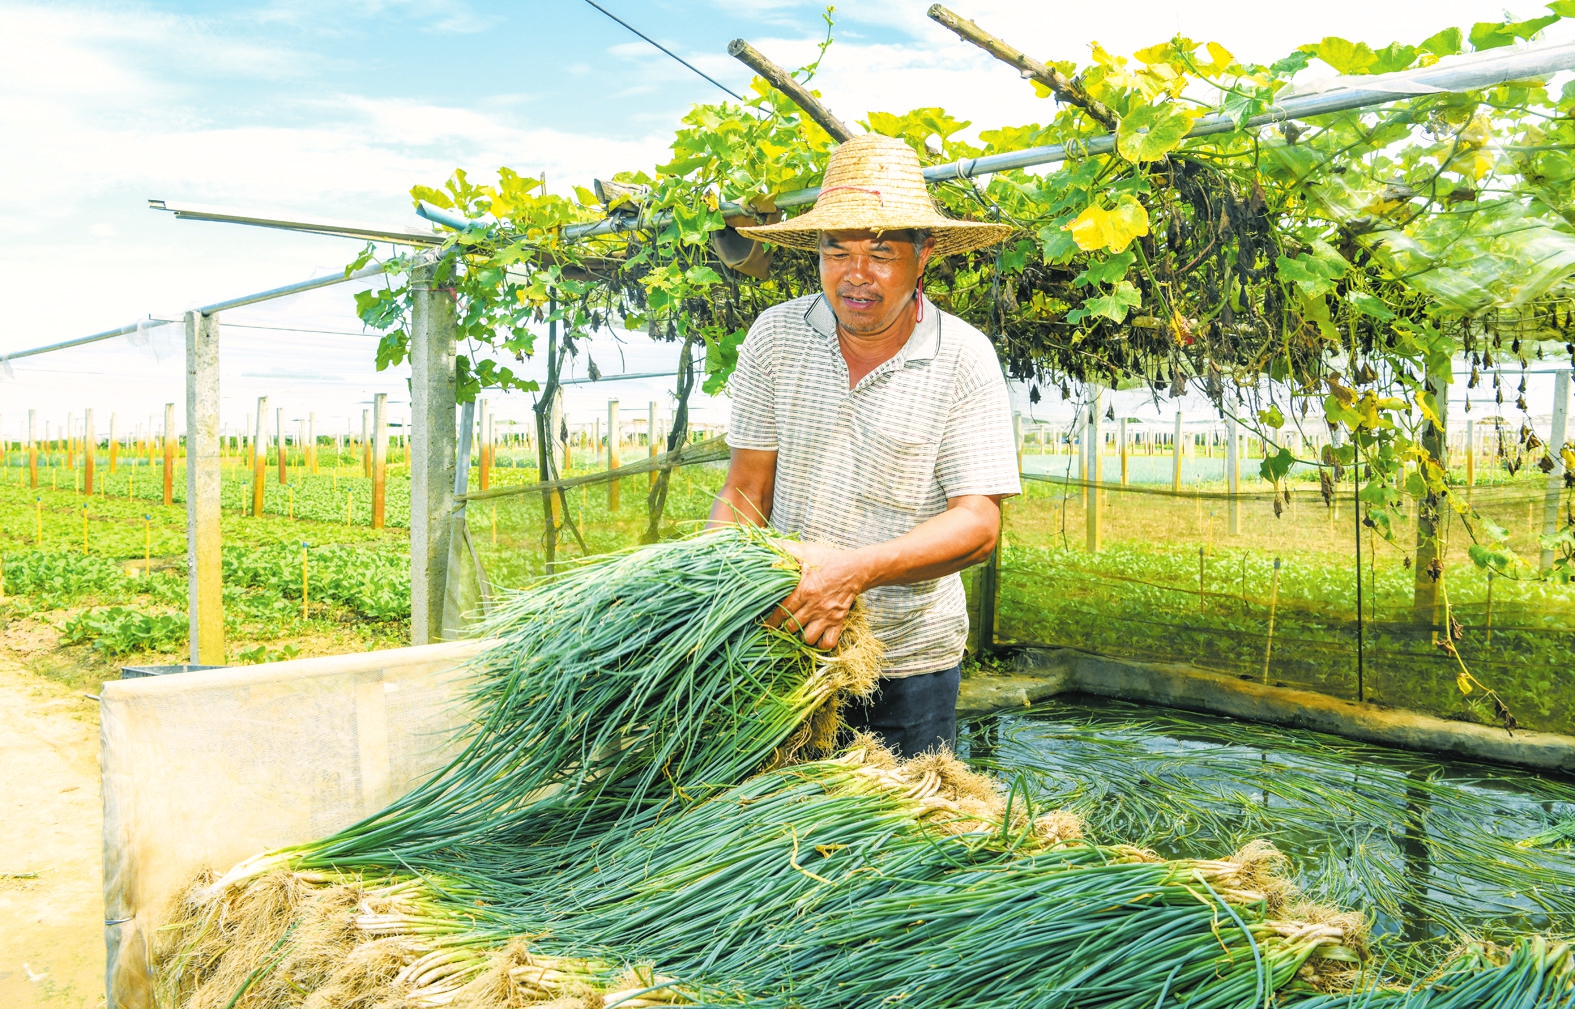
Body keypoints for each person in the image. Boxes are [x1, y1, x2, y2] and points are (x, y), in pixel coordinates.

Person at [708, 133, 1020, 758]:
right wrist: (716, 588)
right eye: (836, 251)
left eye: (881, 253)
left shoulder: (962, 357)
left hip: (907, 660)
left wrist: (852, 573)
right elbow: (746, 488)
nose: (856, 276)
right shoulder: (775, 337)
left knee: (901, 838)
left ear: (923, 254)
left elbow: (979, 525)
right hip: (786, 643)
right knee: (779, 831)